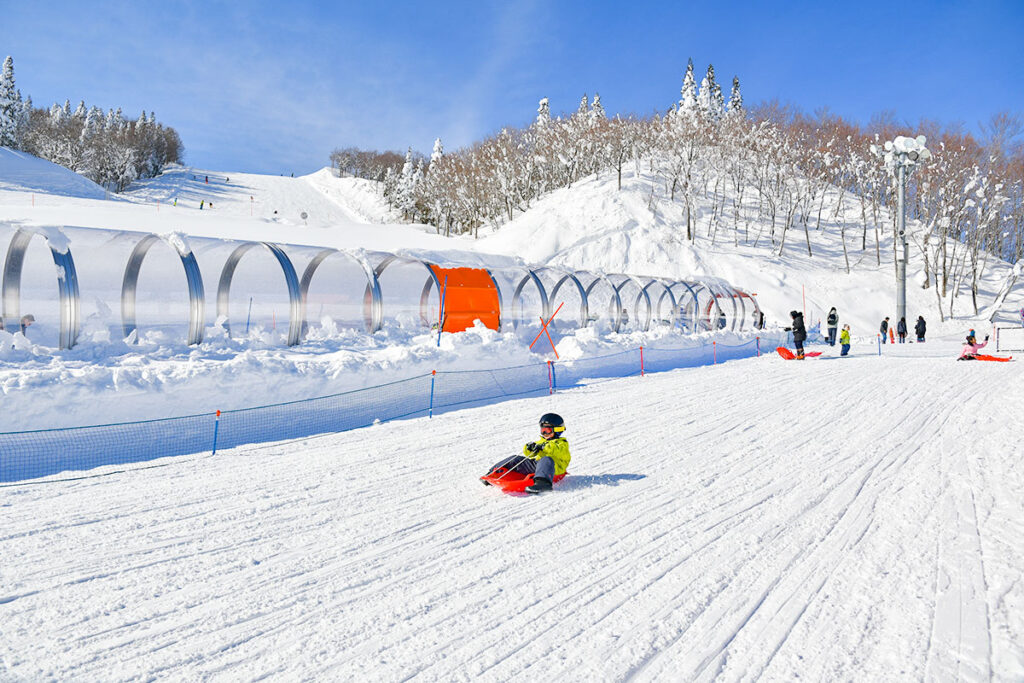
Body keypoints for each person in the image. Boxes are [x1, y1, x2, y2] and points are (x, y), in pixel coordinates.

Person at [483, 413, 571, 494]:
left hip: (554, 468)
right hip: (538, 466)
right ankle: (491, 473)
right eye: (542, 430)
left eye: (547, 430)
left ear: (557, 430)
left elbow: (556, 449)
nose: (544, 433)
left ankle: (543, 484)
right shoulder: (542, 441)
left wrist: (543, 447)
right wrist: (529, 447)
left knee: (546, 459)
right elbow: (529, 454)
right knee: (515, 458)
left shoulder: (562, 443)